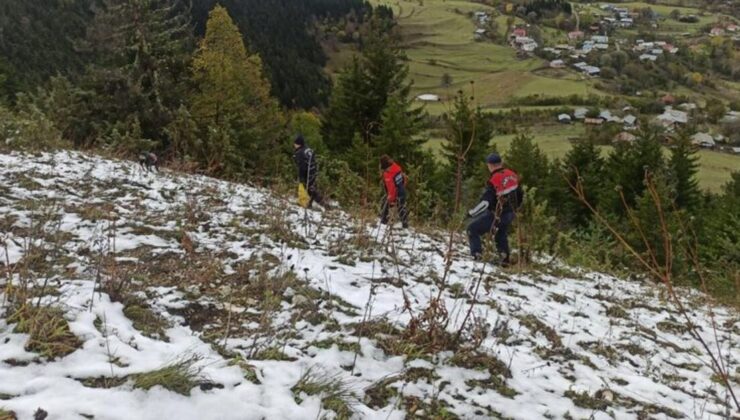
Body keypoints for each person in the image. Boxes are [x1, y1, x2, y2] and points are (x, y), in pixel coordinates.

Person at [466, 153, 524, 266]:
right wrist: (515, 209)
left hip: (498, 214)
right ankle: (505, 260)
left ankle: (477, 256)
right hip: (511, 213)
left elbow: (485, 203)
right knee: (500, 234)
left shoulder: (494, 180)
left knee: (472, 229)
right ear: (501, 163)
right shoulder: (512, 174)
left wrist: (472, 213)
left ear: (490, 165)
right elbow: (520, 194)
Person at [293, 135, 323, 208]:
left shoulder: (300, 153)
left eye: (295, 143)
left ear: (298, 144)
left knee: (308, 189)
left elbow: (302, 167)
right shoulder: (307, 149)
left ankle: (308, 203)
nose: (294, 145)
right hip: (313, 171)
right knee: (312, 188)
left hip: (307, 173)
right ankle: (318, 202)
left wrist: (301, 178)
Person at [380, 155, 409, 228]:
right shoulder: (388, 172)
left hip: (399, 193)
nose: (384, 170)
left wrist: (391, 199)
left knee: (401, 207)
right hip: (392, 193)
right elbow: (387, 186)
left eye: (385, 168)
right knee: (384, 204)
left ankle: (404, 225)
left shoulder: (394, 173)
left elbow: (396, 187)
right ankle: (383, 222)